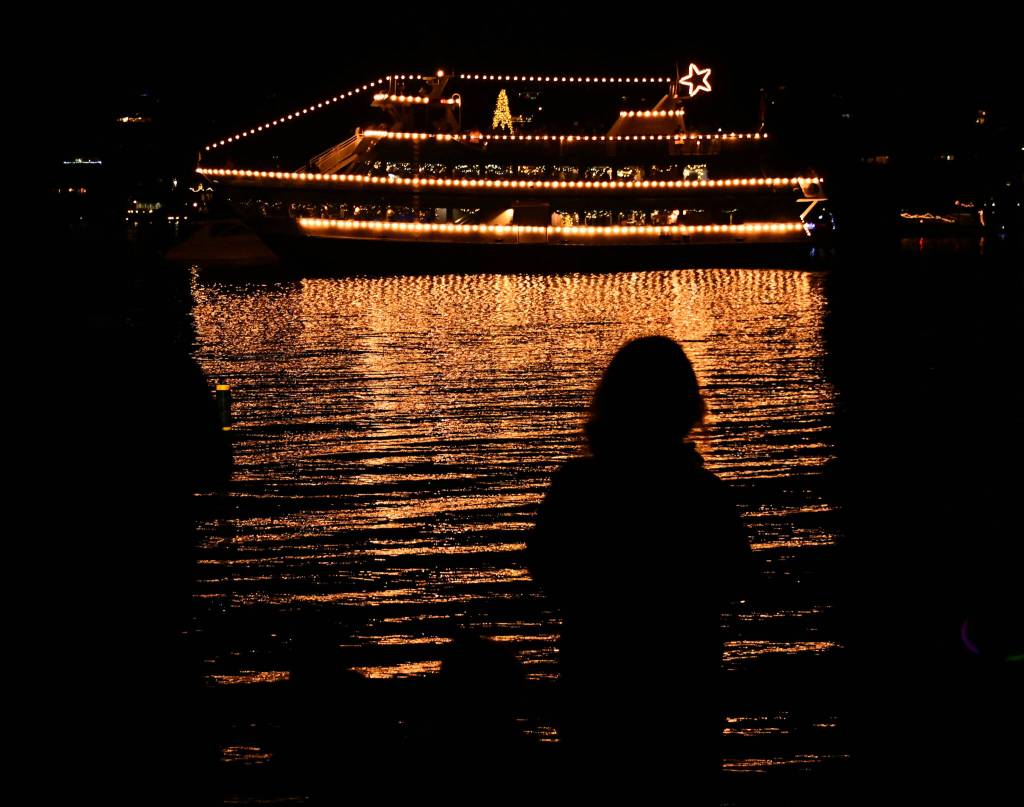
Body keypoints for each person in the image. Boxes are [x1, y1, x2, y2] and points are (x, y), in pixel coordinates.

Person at [527, 335, 754, 793]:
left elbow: (545, 569)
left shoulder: (575, 488)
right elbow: (735, 580)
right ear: (687, 407)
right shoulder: (706, 496)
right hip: (685, 695)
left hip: (596, 691)